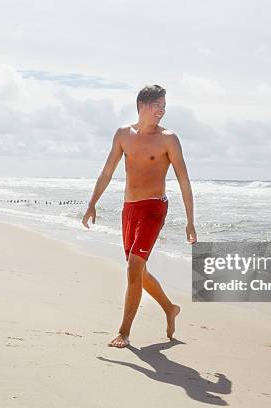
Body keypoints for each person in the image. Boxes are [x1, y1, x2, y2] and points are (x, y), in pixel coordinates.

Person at [81, 85, 197, 348]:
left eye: (164, 106)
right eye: (157, 105)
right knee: (138, 271)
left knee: (134, 267)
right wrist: (92, 204)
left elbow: (183, 180)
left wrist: (190, 221)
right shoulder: (123, 134)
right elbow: (107, 171)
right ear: (141, 105)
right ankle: (169, 308)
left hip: (154, 207)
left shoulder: (169, 139)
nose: (162, 110)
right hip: (129, 208)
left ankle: (124, 332)